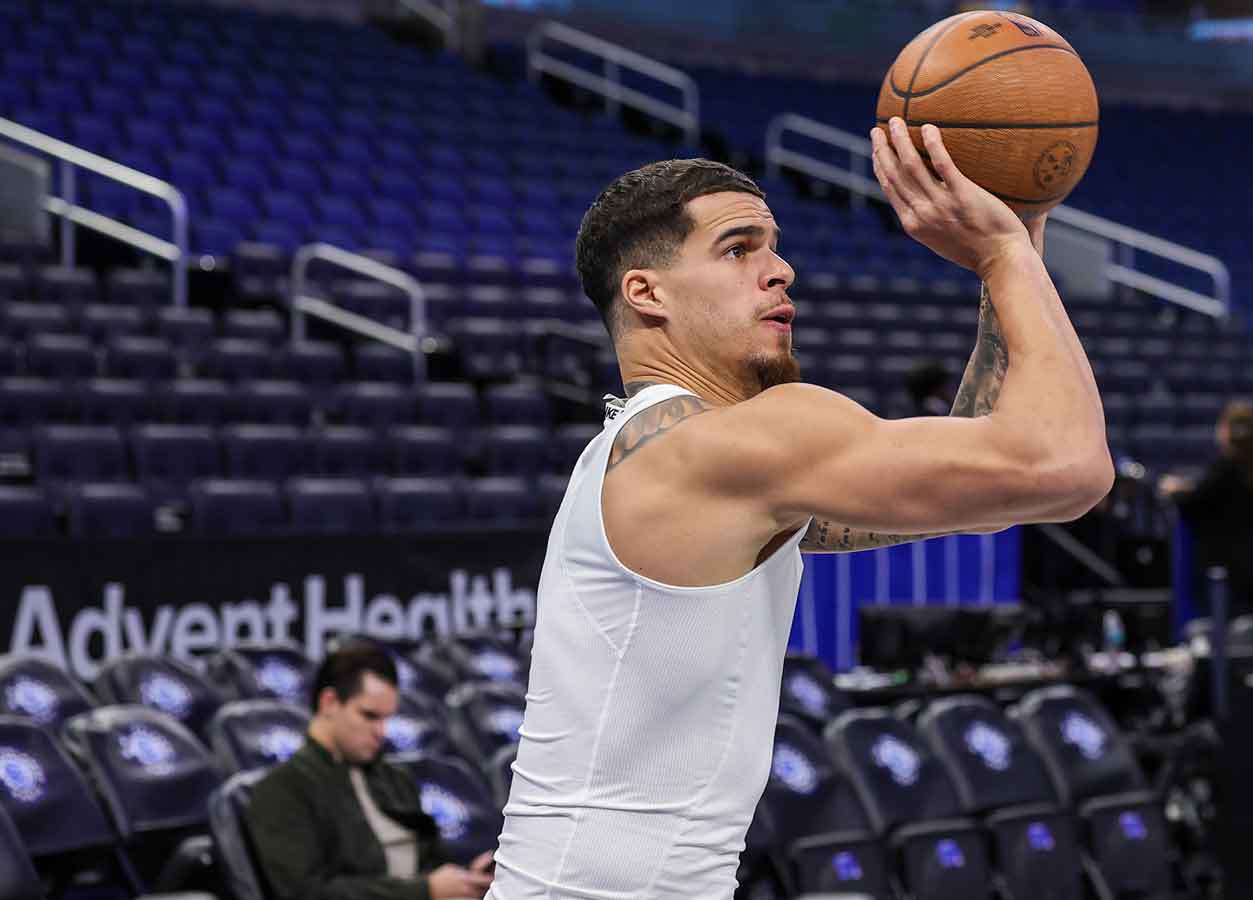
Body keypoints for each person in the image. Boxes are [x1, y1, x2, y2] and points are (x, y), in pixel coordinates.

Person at [486, 119, 1112, 899]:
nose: (781, 270)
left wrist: (1007, 259)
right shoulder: (728, 448)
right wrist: (1004, 254)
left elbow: (990, 496)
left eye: (775, 246)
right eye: (739, 248)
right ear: (646, 293)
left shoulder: (667, 457)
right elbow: (1069, 467)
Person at [247, 640, 494, 900]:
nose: (381, 732)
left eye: (386, 719)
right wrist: (424, 890)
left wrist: (465, 879)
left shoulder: (394, 779)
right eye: (369, 716)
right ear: (329, 702)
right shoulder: (283, 790)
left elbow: (429, 865)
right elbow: (308, 893)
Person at [1159, 401, 1253, 621]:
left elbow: (1196, 503)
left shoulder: (1227, 467)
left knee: (1224, 636)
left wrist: (1174, 491)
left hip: (1223, 567)